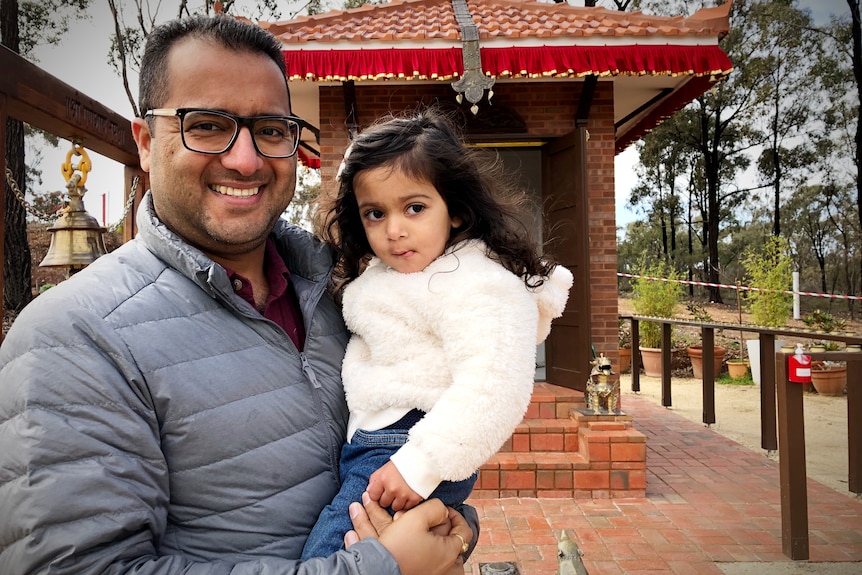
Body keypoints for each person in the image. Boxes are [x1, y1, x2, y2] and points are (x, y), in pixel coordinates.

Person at [0, 15, 475, 575]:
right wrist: (380, 569)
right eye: (205, 125)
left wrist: (453, 526)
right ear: (147, 143)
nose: (246, 160)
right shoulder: (74, 337)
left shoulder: (344, 286)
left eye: (271, 129)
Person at [301, 108, 573, 559]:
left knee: (327, 559)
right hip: (377, 446)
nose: (394, 230)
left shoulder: (477, 281)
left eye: (415, 207)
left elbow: (494, 385)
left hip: (407, 447)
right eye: (374, 213)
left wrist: (419, 466)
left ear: (457, 212)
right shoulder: (392, 273)